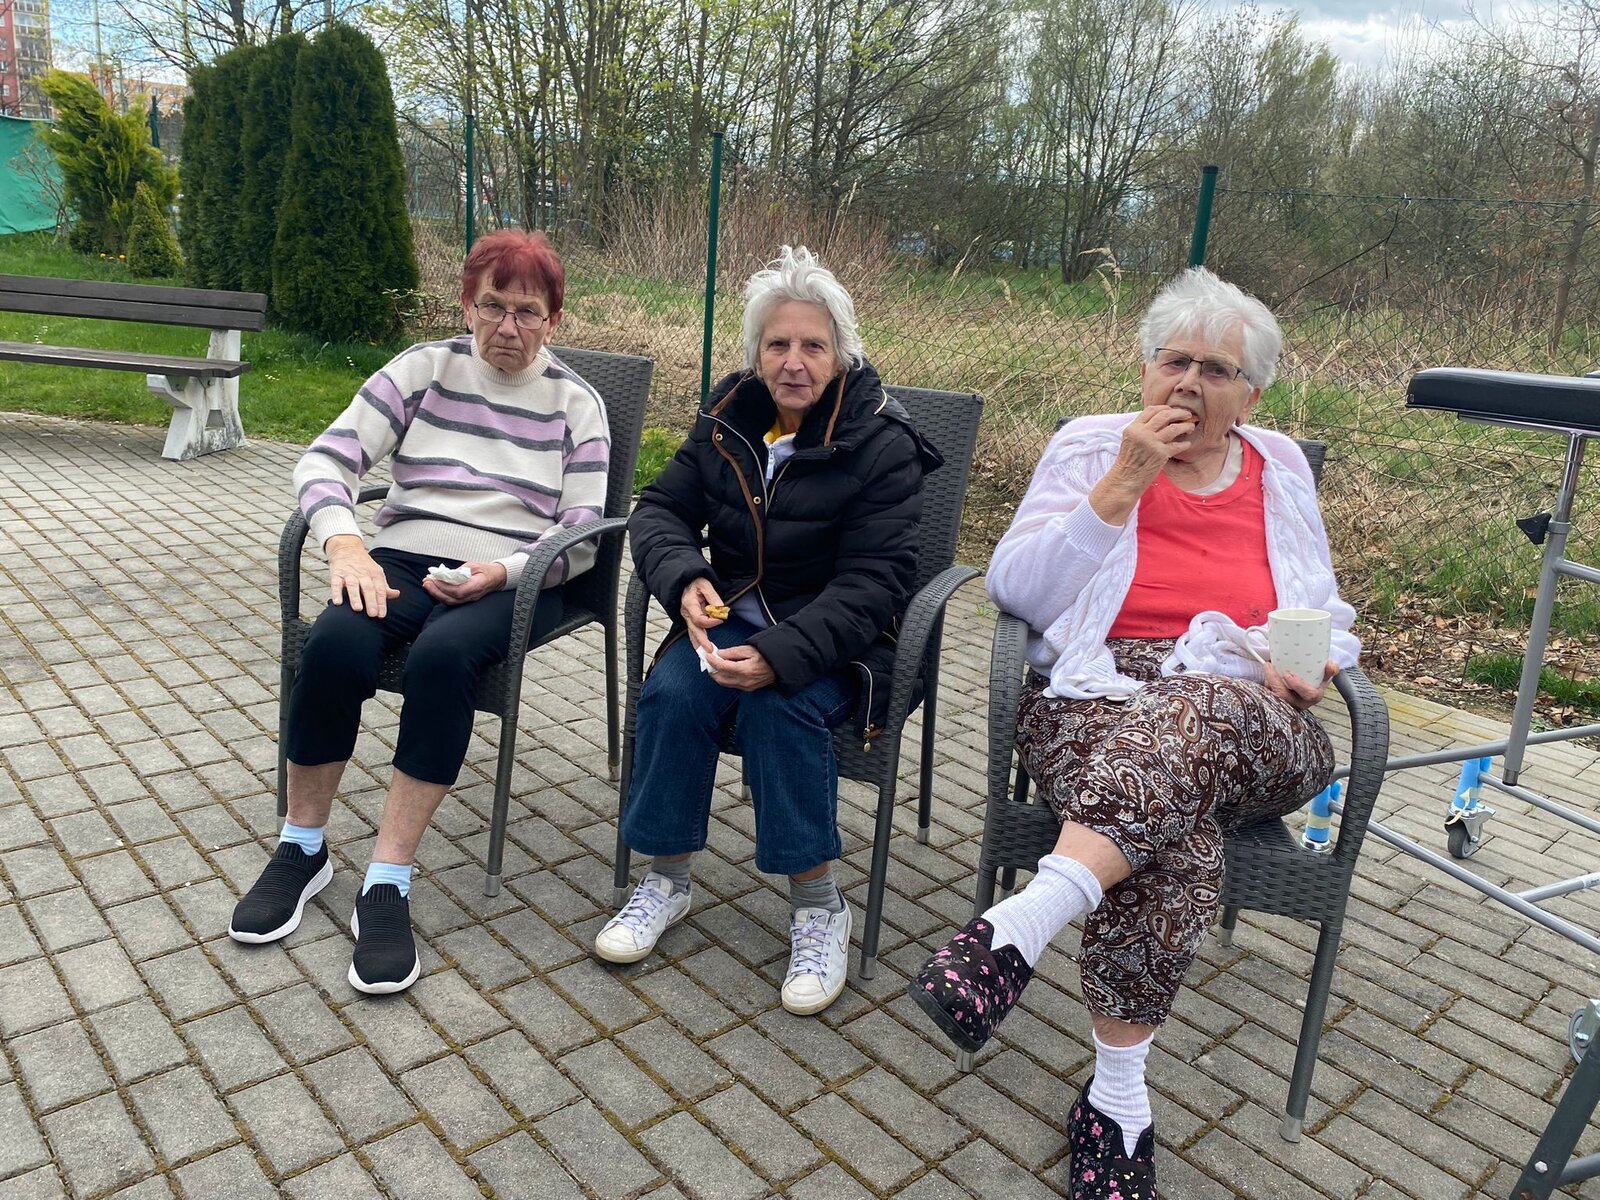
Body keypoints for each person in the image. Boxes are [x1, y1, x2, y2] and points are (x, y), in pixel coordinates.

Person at [909, 267, 1358, 1197]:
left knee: (1198, 707)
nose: (1189, 382)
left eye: (1216, 370)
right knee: (1176, 844)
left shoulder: (1279, 469)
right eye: (1174, 360)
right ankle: (1116, 1105)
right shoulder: (1090, 448)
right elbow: (1016, 593)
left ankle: (1020, 925)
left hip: (1250, 708)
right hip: (1094, 693)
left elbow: (1323, 610)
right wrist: (1121, 483)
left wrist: (1310, 660)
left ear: (1251, 396)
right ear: (1146, 368)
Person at [228, 229, 610, 996]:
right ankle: (303, 846)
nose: (507, 327)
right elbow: (325, 459)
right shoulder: (422, 370)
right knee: (334, 642)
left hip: (515, 575)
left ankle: (388, 880)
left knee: (443, 659)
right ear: (466, 306)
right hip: (401, 555)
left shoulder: (577, 403)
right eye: (492, 306)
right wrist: (344, 544)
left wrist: (502, 572)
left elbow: (584, 533)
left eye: (527, 312)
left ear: (554, 321)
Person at [595, 245, 941, 1016]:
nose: (794, 362)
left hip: (844, 644)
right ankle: (667, 881)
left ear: (841, 353)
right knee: (672, 694)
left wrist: (778, 656)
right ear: (756, 354)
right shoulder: (728, 420)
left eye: (813, 345)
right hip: (732, 620)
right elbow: (660, 510)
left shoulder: (882, 444)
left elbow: (875, 584)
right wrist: (685, 578)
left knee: (777, 708)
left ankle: (819, 907)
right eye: (777, 344)